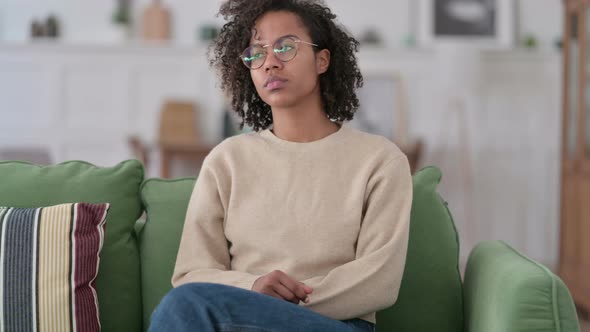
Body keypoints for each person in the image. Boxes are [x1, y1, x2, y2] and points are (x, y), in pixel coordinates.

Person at [148, 0, 412, 331]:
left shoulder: (380, 160)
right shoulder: (227, 161)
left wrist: (271, 304)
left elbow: (379, 280)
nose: (270, 62)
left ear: (322, 59)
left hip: (338, 325)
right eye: (256, 54)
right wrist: (252, 288)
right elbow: (191, 275)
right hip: (240, 321)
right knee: (183, 305)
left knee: (183, 307)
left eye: (285, 47)